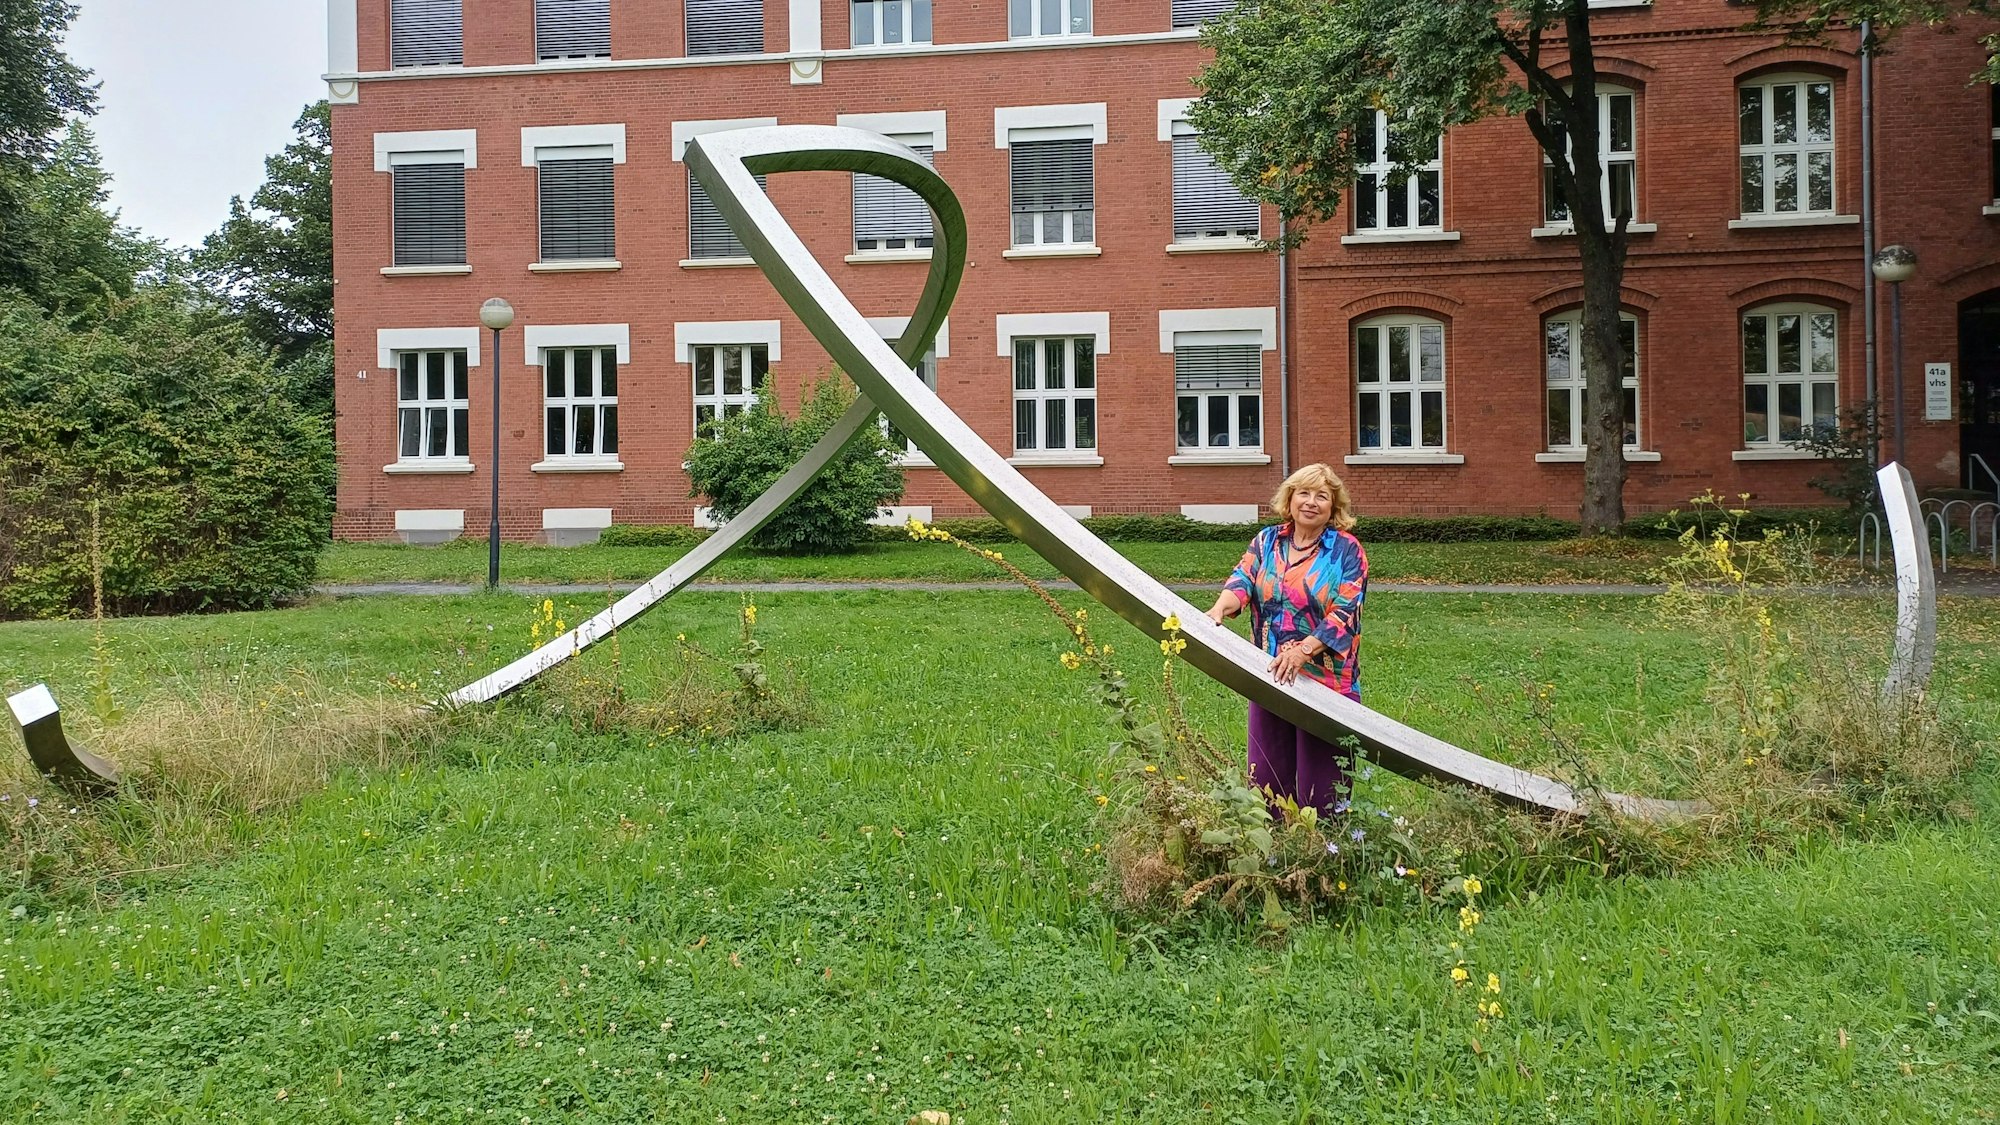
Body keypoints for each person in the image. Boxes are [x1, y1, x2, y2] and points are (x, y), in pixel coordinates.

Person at [1203, 463, 1367, 817]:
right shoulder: (1267, 541)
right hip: (1270, 675)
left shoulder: (1346, 550)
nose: (1311, 502)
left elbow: (1345, 612)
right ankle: (1275, 860)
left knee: (1322, 792)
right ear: (1290, 499)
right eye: (1303, 493)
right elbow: (1242, 582)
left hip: (1327, 684)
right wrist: (1218, 610)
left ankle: (1325, 860)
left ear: (1333, 506)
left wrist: (1303, 652)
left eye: (1321, 496)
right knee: (1265, 783)